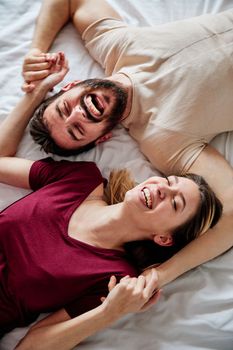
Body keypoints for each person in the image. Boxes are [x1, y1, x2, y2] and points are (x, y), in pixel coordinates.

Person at [0, 55, 222, 349]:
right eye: (168, 182)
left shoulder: (116, 279)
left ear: (164, 238)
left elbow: (29, 347)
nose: (161, 189)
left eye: (176, 202)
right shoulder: (81, 179)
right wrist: (41, 90)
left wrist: (109, 313)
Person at [21, 0, 233, 290]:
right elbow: (230, 212)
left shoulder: (116, 44)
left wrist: (36, 51)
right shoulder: (163, 141)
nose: (78, 114)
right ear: (103, 137)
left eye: (64, 108)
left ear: (71, 86)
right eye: (78, 130)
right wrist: (162, 275)